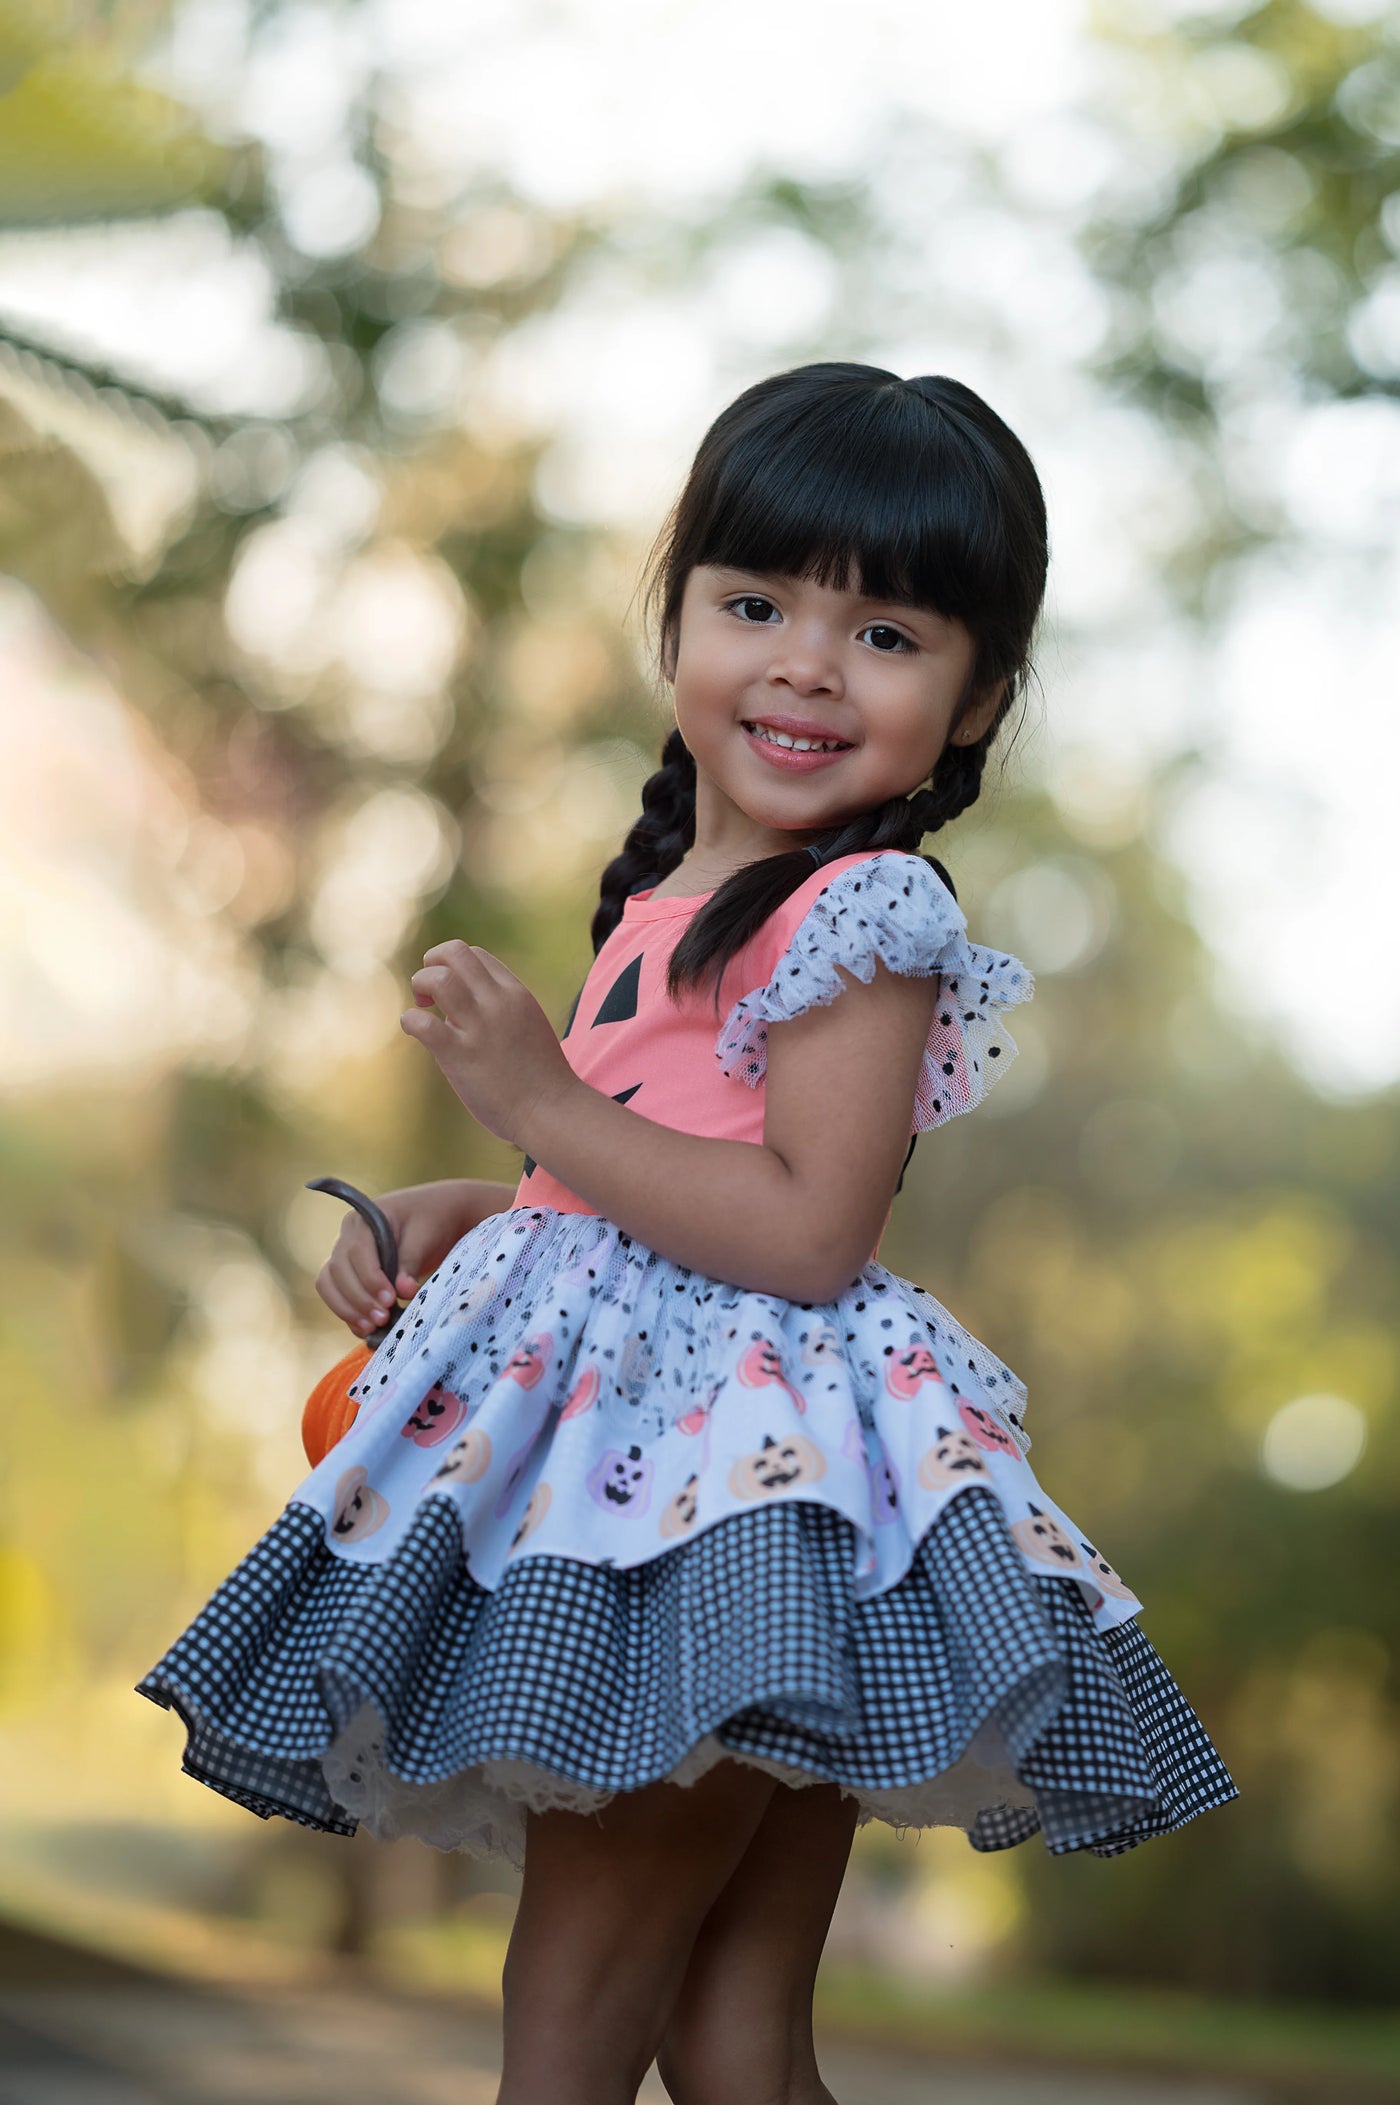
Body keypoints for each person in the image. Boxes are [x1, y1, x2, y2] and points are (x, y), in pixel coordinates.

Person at [138, 362, 1237, 2105]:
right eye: (756, 602)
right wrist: (487, 1207)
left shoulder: (864, 910)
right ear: (678, 631)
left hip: (720, 1518)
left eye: (887, 634)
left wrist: (541, 1105)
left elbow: (807, 1230)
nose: (806, 660)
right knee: (725, 2041)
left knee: (568, 2016)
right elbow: (654, 1199)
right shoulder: (664, 895)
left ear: (977, 702)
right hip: (702, 1485)